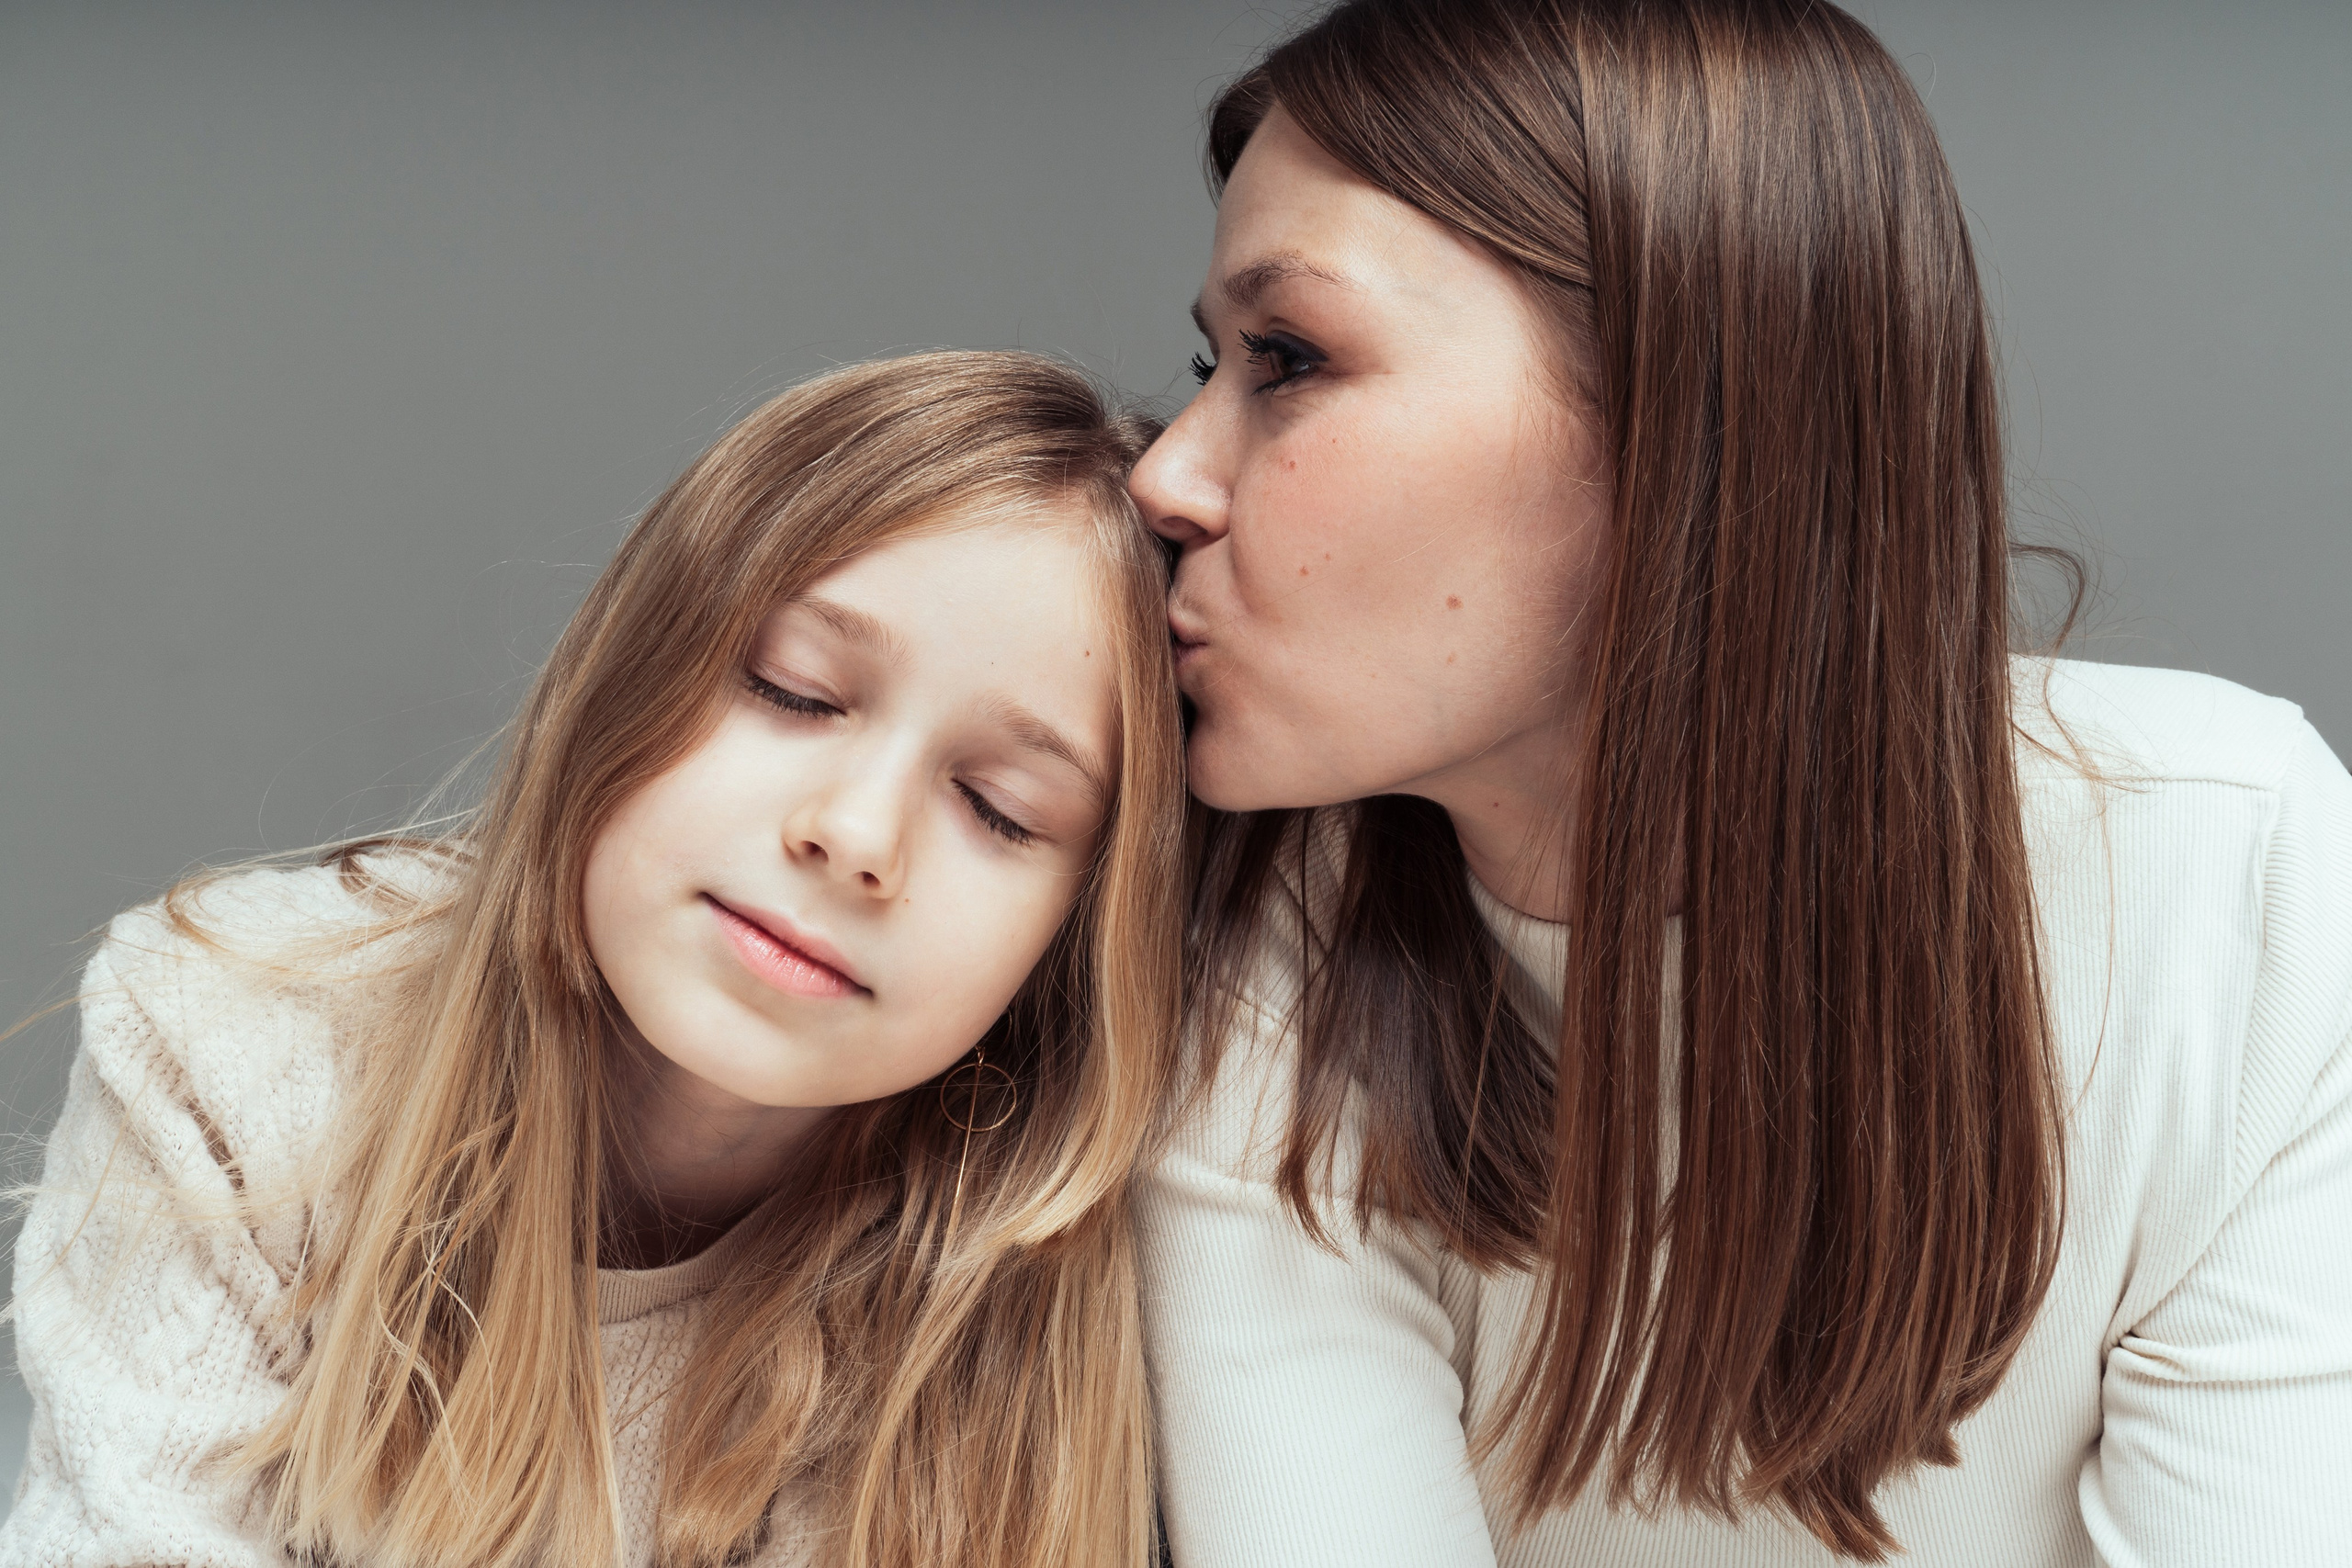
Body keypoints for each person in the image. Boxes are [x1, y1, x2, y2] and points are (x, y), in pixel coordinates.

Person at [1129, 3, 2352, 1566]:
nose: (1166, 473)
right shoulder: (1254, 974)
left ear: (1682, 416)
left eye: (1287, 358)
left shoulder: (2227, 870)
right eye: (1208, 363)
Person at [3, 351, 1182, 1568]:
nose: (855, 836)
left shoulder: (1044, 1287)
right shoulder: (234, 1040)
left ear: (1075, 945)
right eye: (797, 692)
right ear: (622, 673)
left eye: (999, 808)